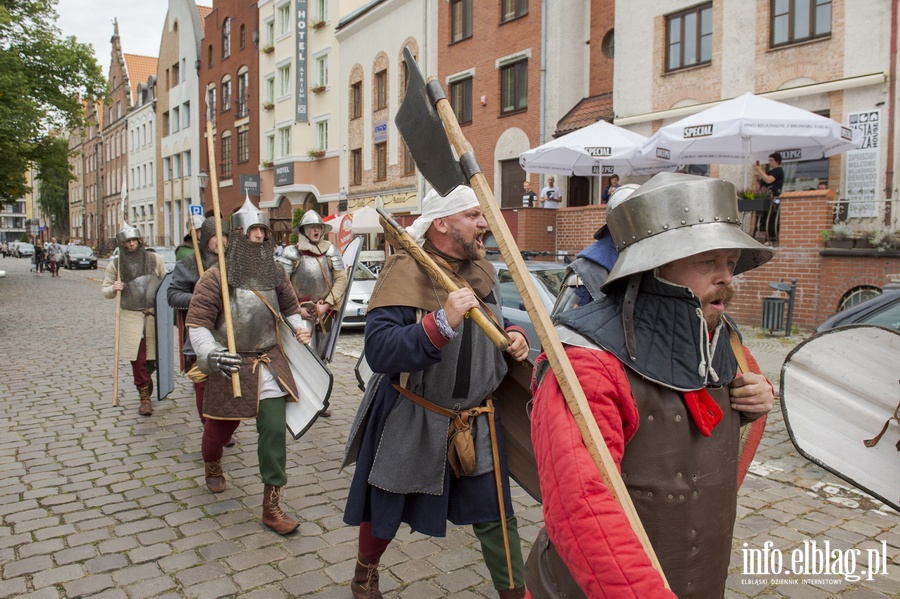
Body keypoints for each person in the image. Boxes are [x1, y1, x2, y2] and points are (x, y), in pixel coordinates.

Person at [527, 172, 775, 598]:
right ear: (655, 264)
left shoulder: (720, 336)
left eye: (730, 263)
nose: (726, 278)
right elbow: (582, 507)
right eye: (706, 261)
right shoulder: (587, 363)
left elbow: (712, 398)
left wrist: (756, 396)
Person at [342, 185, 531, 599]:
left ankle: (516, 594)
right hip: (413, 413)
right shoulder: (404, 272)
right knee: (384, 502)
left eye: (484, 215)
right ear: (442, 224)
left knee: (497, 513)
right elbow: (380, 350)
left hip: (476, 419)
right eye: (474, 216)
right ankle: (364, 574)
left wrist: (513, 336)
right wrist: (441, 321)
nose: (485, 224)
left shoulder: (482, 272)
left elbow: (496, 326)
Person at [186, 197, 310, 534]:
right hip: (231, 365)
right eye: (253, 229)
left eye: (262, 229)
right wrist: (211, 353)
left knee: (273, 432)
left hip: (268, 362)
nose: (259, 235)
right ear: (238, 234)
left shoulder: (275, 271)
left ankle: (272, 506)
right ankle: (212, 463)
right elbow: (197, 323)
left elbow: (291, 308)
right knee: (218, 432)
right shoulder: (216, 277)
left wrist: (301, 326)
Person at [279, 210, 349, 418]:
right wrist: (295, 309)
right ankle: (298, 401)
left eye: (319, 227)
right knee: (301, 358)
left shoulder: (331, 251)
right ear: (304, 230)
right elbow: (282, 284)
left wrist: (326, 305)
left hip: (324, 314)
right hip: (299, 314)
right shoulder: (292, 253)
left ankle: (319, 401)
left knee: (321, 358)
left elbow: (341, 279)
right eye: (312, 227)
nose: (316, 230)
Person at [167, 217, 231, 435]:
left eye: (224, 235)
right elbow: (173, 295)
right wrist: (200, 298)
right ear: (205, 239)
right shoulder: (189, 264)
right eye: (215, 236)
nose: (220, 241)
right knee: (204, 388)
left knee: (229, 387)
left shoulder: (235, 263)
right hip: (201, 334)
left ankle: (222, 427)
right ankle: (211, 431)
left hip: (232, 335)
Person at [101, 223, 167, 415]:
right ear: (122, 243)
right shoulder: (116, 264)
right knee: (137, 359)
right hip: (130, 317)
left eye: (134, 240)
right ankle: (144, 397)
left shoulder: (155, 259)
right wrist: (114, 288)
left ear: (139, 240)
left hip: (153, 315)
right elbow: (105, 290)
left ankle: (146, 378)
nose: (131, 244)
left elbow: (166, 284)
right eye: (127, 241)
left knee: (154, 358)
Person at [752, 152, 784, 239]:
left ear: (777, 161)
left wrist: (759, 170)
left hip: (773, 197)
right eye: (769, 160)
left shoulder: (778, 171)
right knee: (764, 217)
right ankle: (765, 236)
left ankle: (772, 238)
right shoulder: (770, 171)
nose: (769, 162)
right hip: (766, 197)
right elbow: (765, 182)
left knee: (772, 217)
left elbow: (769, 180)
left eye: (771, 160)